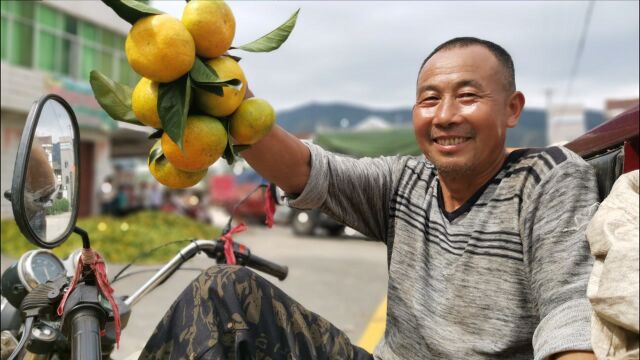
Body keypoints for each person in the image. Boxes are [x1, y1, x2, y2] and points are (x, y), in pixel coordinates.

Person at [141, 37, 599, 359]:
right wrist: (218, 91)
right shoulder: (406, 181)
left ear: (512, 108)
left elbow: (569, 309)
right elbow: (307, 169)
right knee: (225, 291)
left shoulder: (547, 179)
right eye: (429, 99)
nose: (445, 115)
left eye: (467, 96)